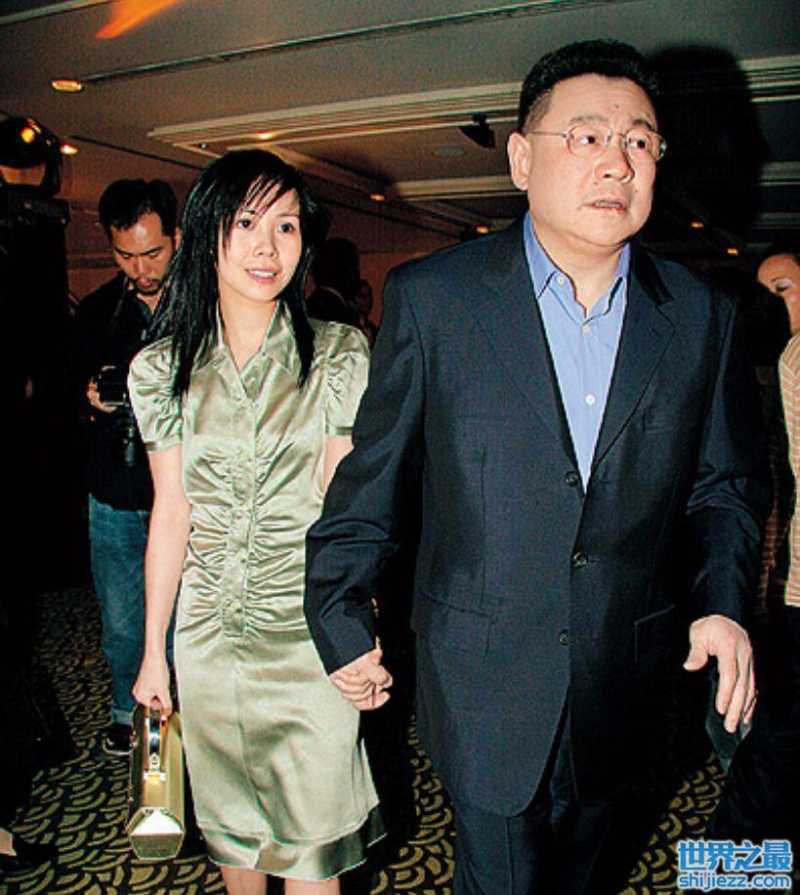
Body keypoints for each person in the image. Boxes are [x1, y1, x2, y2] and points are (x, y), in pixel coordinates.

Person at [304, 39, 768, 895]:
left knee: (589, 868)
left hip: (624, 678)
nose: (617, 162)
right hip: (481, 677)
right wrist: (338, 610)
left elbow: (725, 487)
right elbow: (374, 479)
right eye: (586, 137)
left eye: (639, 141)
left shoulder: (702, 317)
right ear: (521, 159)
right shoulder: (435, 299)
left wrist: (722, 603)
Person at [128, 149, 381, 895]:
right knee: (234, 837)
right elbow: (171, 513)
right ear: (207, 233)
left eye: (287, 226)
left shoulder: (335, 354)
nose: (268, 247)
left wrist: (358, 630)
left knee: (311, 850)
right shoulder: (162, 369)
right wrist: (153, 653)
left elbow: (346, 512)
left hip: (307, 639)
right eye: (246, 223)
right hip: (209, 640)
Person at [73, 178, 180, 757]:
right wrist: (90, 401)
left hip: (184, 491)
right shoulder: (95, 313)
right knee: (121, 620)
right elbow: (56, 399)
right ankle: (125, 711)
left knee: (185, 616)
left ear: (177, 237)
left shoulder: (206, 306)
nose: (140, 268)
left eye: (152, 252)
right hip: (115, 489)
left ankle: (181, 715)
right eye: (125, 255)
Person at [708, 251, 800, 847]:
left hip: (774, 583)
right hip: (773, 585)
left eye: (784, 287)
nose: (774, 304)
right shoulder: (777, 364)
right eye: (766, 292)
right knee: (764, 753)